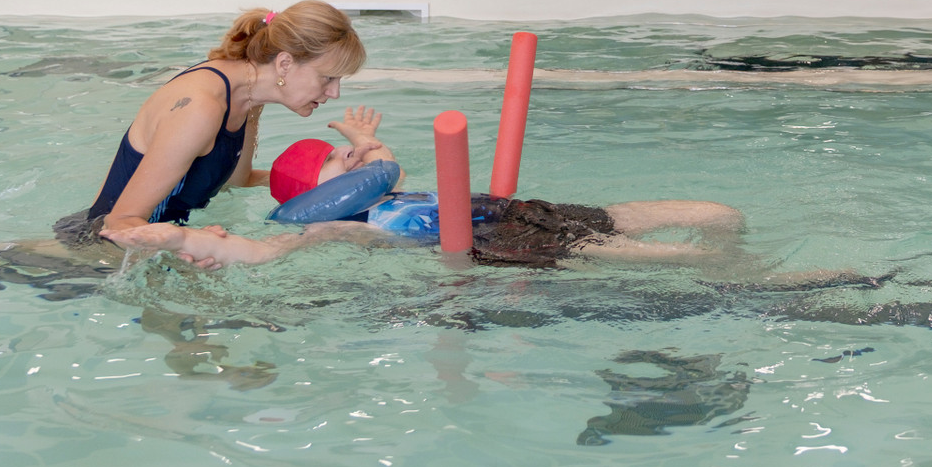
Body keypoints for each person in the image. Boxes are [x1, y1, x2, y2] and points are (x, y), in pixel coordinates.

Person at [125, 125, 749, 269]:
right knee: (681, 260)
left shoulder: (385, 187)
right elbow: (264, 253)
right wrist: (183, 238)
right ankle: (749, 279)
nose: (360, 161)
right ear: (316, 189)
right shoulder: (325, 227)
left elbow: (384, 168)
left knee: (719, 215)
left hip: (522, 210)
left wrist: (366, 140)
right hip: (496, 240)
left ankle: (733, 251)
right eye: (342, 160)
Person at [53, 0, 371, 266]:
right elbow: (119, 222)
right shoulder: (200, 109)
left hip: (157, 243)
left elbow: (237, 181)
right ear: (285, 64)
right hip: (104, 253)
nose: (335, 92)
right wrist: (190, 245)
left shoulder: (247, 96)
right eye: (328, 77)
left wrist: (329, 177)